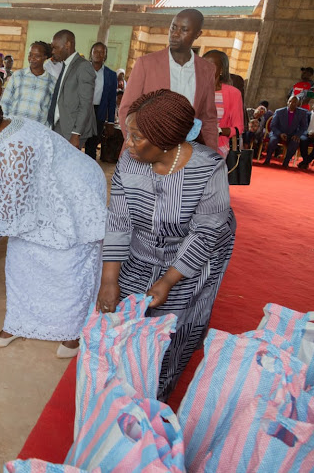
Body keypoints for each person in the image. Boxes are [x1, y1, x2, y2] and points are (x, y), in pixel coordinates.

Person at [98, 89, 235, 401]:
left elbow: (205, 233)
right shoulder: (129, 164)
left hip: (192, 251)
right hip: (142, 246)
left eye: (135, 137)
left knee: (173, 325)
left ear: (165, 140)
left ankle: (156, 393)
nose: (127, 144)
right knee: (127, 315)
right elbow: (119, 222)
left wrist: (169, 279)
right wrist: (108, 280)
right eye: (127, 134)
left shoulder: (208, 169)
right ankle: (120, 389)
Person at [0, 94, 106, 358]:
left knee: (66, 264)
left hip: (72, 189)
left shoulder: (14, 147)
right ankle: (19, 324)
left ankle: (72, 332)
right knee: (22, 259)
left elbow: (9, 213)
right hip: (32, 191)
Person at [119, 9, 219, 152]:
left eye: (184, 29)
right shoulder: (146, 63)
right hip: (144, 151)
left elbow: (208, 118)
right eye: (173, 27)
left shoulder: (206, 70)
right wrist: (136, 142)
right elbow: (126, 109)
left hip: (184, 152)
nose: (175, 34)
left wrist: (211, 156)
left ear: (198, 34)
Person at [47, 29, 97, 148]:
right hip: (61, 124)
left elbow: (86, 103)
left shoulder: (83, 66)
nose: (52, 51)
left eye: (55, 47)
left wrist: (76, 134)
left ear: (67, 45)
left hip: (72, 130)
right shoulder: (66, 65)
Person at [0, 41, 55, 126]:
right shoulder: (18, 75)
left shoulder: (52, 81)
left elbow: (52, 110)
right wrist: (5, 125)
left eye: (37, 56)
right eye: (30, 55)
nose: (32, 58)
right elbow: (5, 103)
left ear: (45, 57)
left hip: (37, 131)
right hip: (14, 127)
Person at [203, 50, 245, 157]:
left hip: (218, 145)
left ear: (221, 70)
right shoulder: (193, 89)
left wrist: (219, 131)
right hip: (191, 144)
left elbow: (238, 128)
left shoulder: (233, 93)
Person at [84, 42, 117, 160]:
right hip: (81, 110)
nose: (98, 54)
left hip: (98, 112)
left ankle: (88, 172)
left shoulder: (111, 75)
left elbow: (112, 100)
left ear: (105, 55)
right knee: (76, 142)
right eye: (95, 51)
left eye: (102, 52)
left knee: (92, 145)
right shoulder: (82, 69)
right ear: (91, 53)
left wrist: (111, 122)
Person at [263, 95, 310, 167]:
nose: (291, 103)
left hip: (292, 134)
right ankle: (267, 159)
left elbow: (304, 126)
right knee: (273, 140)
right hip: (278, 133)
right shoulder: (279, 111)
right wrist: (280, 134)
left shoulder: (302, 113)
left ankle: (286, 161)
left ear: (297, 104)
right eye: (290, 101)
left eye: (294, 102)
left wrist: (297, 135)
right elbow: (273, 125)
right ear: (287, 102)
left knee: (295, 141)